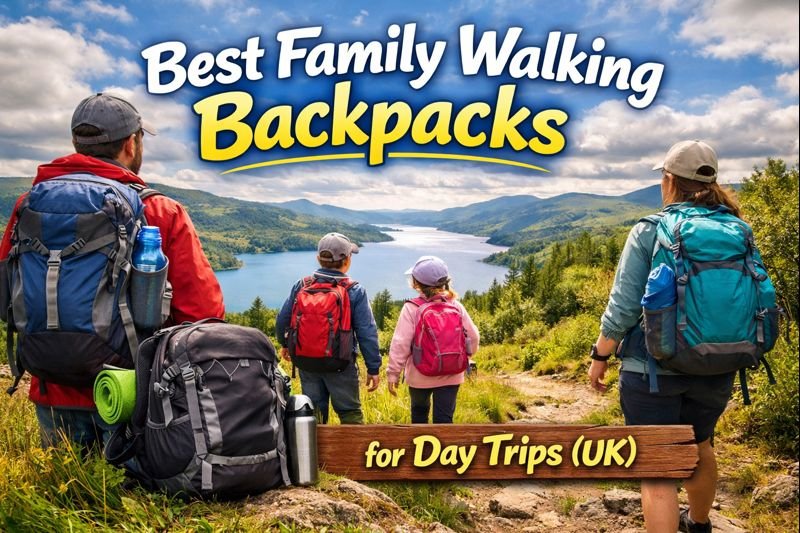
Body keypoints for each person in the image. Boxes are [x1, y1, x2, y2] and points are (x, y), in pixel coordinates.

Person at [0, 93, 225, 449]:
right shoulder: (159, 210)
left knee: (59, 495)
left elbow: (7, 292)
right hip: (131, 392)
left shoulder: (27, 205)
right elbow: (203, 314)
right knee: (124, 500)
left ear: (77, 143)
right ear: (130, 144)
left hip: (50, 385)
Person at [588, 140, 748, 533]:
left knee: (658, 469)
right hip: (718, 361)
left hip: (652, 368)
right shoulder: (738, 228)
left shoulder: (650, 230)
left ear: (668, 180)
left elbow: (624, 307)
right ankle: (698, 524)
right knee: (701, 446)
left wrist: (600, 355)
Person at [276, 232, 380, 424]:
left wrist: (285, 344)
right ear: (347, 260)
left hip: (306, 361)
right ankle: (352, 453)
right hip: (341, 364)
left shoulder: (302, 284)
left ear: (318, 258)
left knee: (314, 415)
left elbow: (282, 319)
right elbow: (367, 333)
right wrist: (373, 368)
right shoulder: (354, 290)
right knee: (349, 413)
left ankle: (316, 453)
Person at [386, 256, 480, 424]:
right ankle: (442, 449)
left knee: (419, 415)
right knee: (444, 420)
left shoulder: (411, 308)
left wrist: (393, 374)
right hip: (452, 373)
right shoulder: (455, 305)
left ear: (416, 283)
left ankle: (421, 449)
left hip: (419, 375)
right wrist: (464, 356)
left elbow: (400, 344)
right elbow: (473, 337)